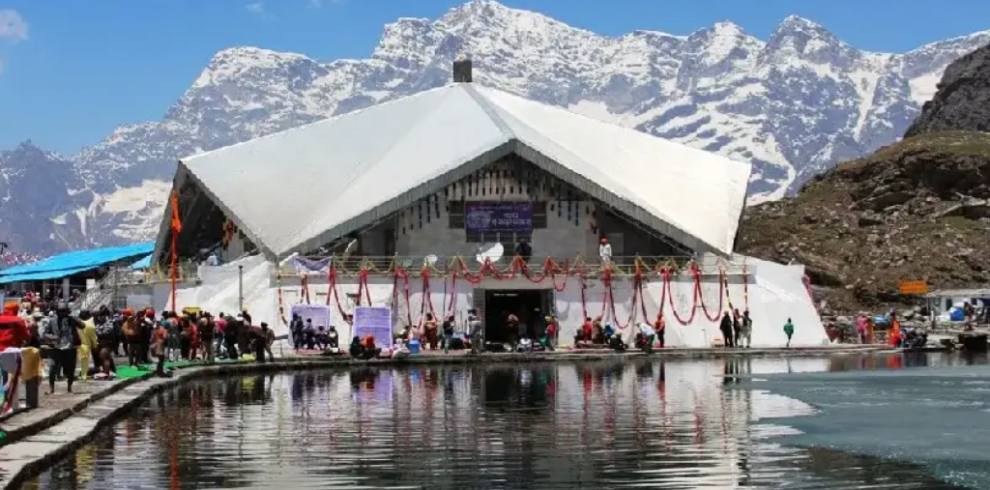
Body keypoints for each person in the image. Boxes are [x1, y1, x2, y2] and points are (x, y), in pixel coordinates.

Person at [42, 303, 81, 394]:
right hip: (56, 348)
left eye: (64, 312)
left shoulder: (72, 320)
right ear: (57, 312)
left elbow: (83, 326)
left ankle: (69, 388)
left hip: (70, 348)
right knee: (52, 368)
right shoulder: (52, 320)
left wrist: (72, 318)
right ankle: (51, 389)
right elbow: (44, 334)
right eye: (60, 312)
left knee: (70, 370)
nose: (62, 314)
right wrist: (52, 337)